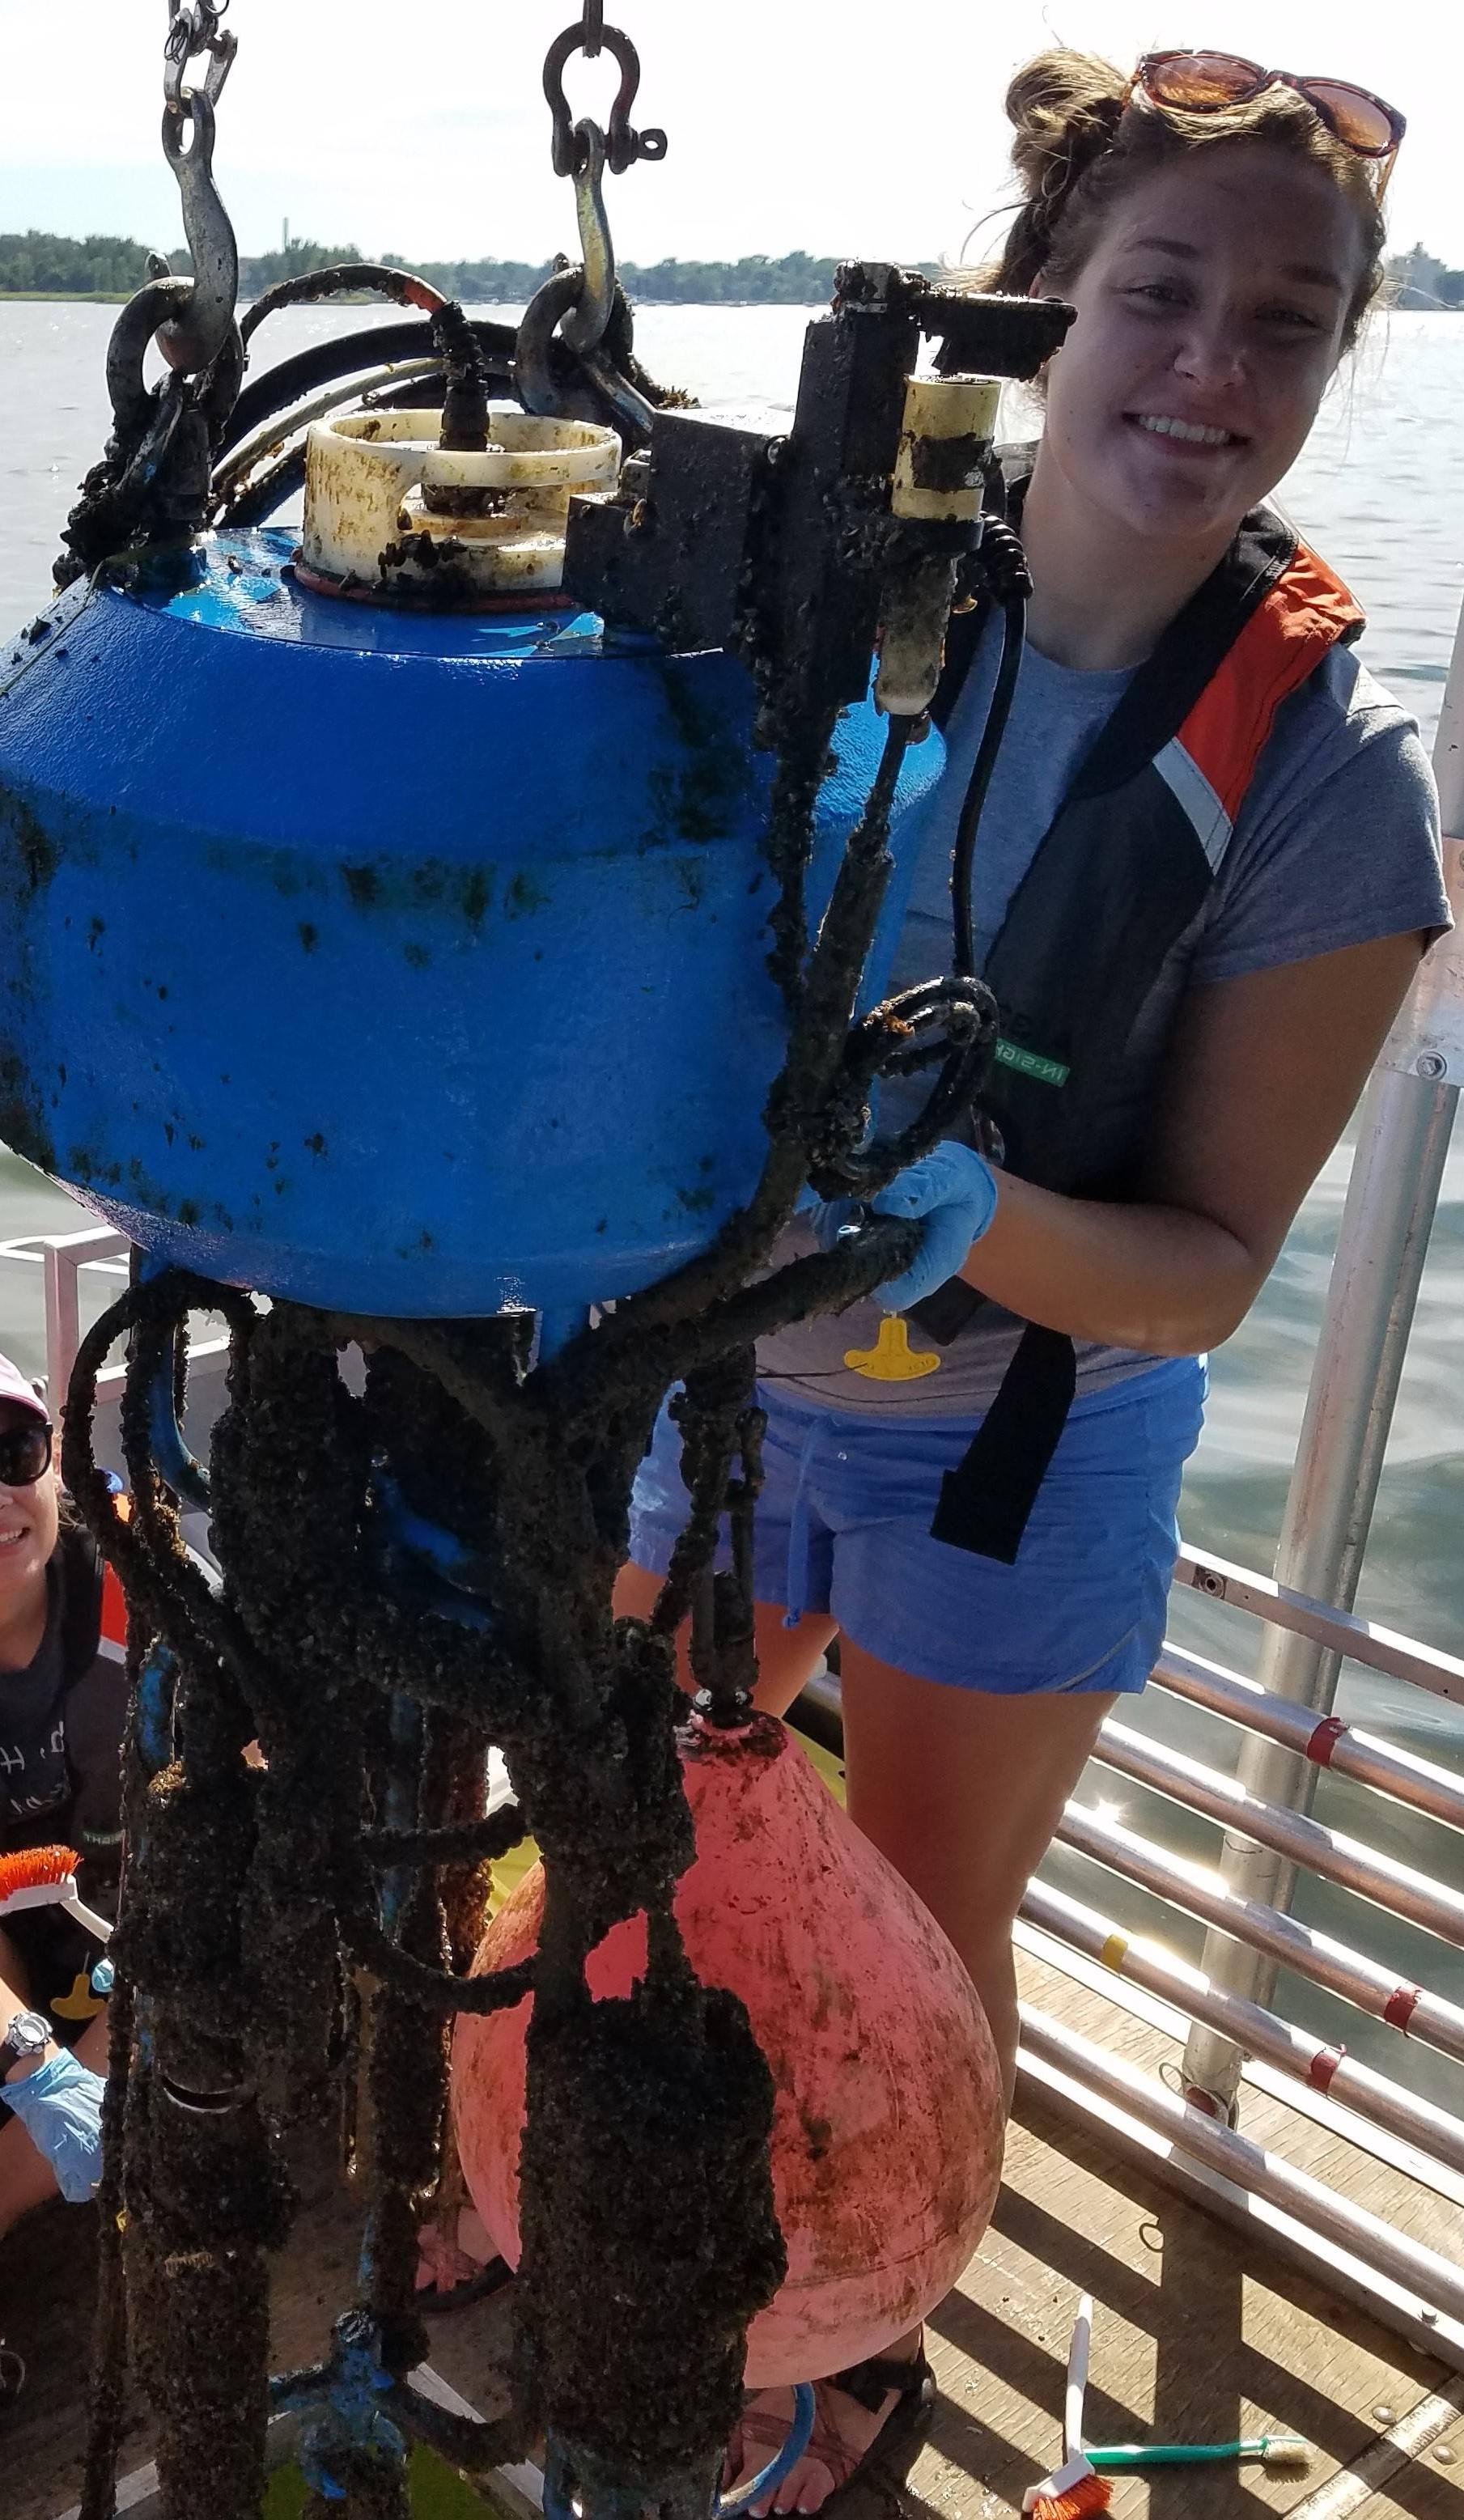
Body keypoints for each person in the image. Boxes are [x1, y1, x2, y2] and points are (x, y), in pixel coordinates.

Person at [615, 45, 1451, 2516]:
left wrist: (961, 1209)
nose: (1214, 370)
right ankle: (623, 2209)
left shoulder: (1332, 786)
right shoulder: (832, 599)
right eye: (1161, 295)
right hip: (722, 1393)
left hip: (1019, 1452)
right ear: (1039, 315)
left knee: (921, 1918)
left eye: (1286, 327)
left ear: (1329, 371)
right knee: (626, 1816)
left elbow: (1198, 1275)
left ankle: (858, 2358)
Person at [0, 1347, 120, 2276]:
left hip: (133, 1914)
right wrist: (34, 2060)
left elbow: (253, 1782)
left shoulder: (136, 1586)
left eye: (12, 1452)